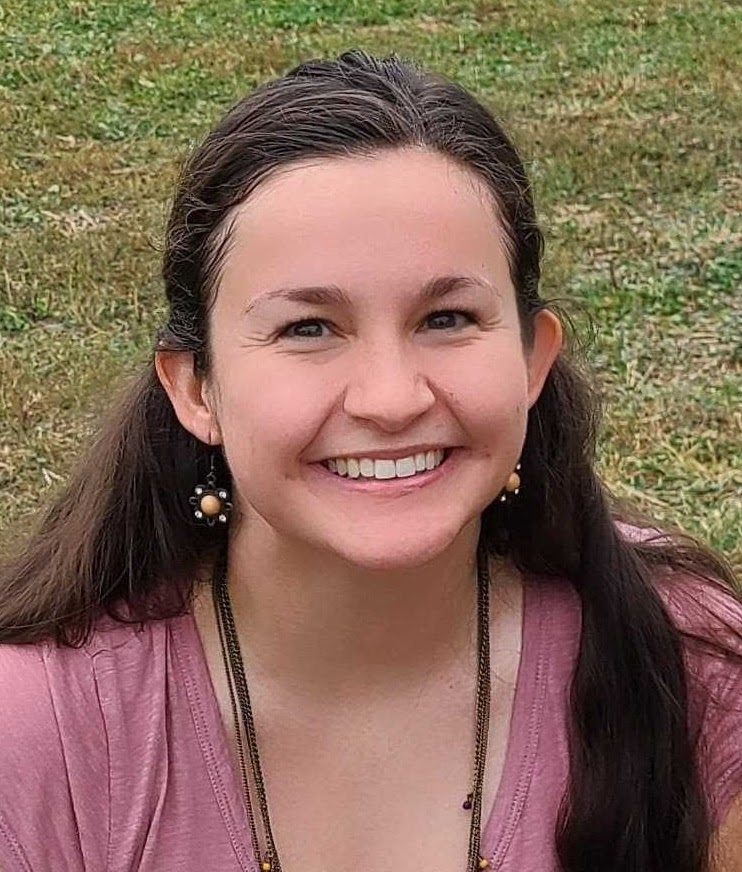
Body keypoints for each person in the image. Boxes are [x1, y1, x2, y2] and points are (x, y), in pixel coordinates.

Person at [0, 48, 740, 872]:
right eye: (308, 328)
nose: (390, 399)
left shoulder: (686, 659)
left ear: (532, 358)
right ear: (196, 389)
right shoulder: (39, 732)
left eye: (447, 318)